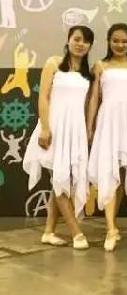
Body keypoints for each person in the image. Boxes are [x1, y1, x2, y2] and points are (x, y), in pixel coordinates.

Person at [23, 26, 95, 250]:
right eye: (77, 39)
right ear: (69, 39)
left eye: (85, 41)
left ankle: (48, 232)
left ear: (90, 46)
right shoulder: (53, 63)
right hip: (54, 128)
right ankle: (76, 233)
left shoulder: (87, 73)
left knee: (62, 180)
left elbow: (86, 105)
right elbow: (43, 97)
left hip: (74, 131)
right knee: (59, 179)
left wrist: (87, 130)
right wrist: (45, 128)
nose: (80, 44)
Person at [87, 23, 127, 252]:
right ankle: (111, 229)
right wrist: (89, 127)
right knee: (108, 170)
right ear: (108, 41)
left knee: (123, 175)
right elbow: (94, 99)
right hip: (107, 121)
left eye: (124, 41)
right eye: (116, 40)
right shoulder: (100, 65)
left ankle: (112, 223)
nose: (120, 45)